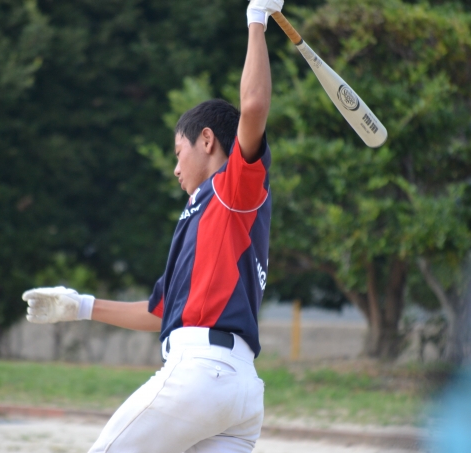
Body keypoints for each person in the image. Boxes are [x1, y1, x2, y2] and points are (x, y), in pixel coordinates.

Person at [21, 1, 282, 451]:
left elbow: (254, 105)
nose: (176, 168)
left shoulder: (231, 189)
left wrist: (256, 19)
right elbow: (159, 311)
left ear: (207, 140)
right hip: (239, 392)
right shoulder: (207, 216)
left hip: (201, 375)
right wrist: (80, 306)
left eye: (178, 153)